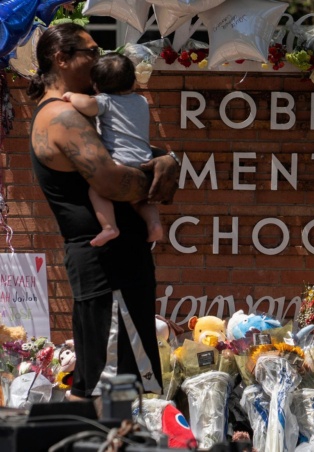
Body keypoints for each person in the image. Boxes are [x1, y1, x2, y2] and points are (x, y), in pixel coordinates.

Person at [27, 23, 179, 400]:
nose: (99, 59)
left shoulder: (88, 109)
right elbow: (112, 181)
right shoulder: (62, 116)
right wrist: (163, 171)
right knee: (113, 386)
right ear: (62, 59)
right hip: (106, 266)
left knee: (111, 380)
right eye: (91, 52)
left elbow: (127, 152)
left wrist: (164, 159)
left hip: (119, 264)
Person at [62, 52, 162, 247]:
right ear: (133, 82)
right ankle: (155, 224)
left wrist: (72, 95)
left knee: (97, 191)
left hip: (120, 163)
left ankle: (109, 227)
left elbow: (87, 105)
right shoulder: (141, 101)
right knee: (142, 202)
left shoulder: (105, 101)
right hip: (145, 164)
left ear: (96, 86)